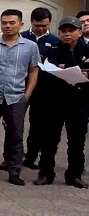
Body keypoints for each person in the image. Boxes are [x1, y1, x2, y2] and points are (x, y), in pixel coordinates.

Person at [0, 9, 40, 185]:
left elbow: (33, 72)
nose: (8, 26)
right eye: (4, 23)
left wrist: (26, 95)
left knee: (15, 135)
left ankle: (14, 171)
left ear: (21, 25)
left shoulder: (30, 46)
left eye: (12, 23)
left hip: (16, 96)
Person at [34, 17, 89, 189]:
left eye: (71, 31)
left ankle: (74, 175)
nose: (67, 34)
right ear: (59, 33)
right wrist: (71, 68)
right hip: (55, 101)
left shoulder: (87, 49)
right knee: (49, 139)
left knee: (77, 141)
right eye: (64, 31)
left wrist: (70, 67)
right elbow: (46, 71)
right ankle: (45, 173)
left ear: (80, 32)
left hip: (79, 101)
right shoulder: (53, 49)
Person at [22, 7, 61, 168]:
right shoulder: (22, 37)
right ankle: (11, 156)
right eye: (37, 25)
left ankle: (31, 157)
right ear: (31, 22)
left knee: (37, 123)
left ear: (49, 23)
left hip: (43, 88)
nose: (40, 28)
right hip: (21, 85)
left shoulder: (56, 41)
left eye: (44, 25)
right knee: (14, 122)